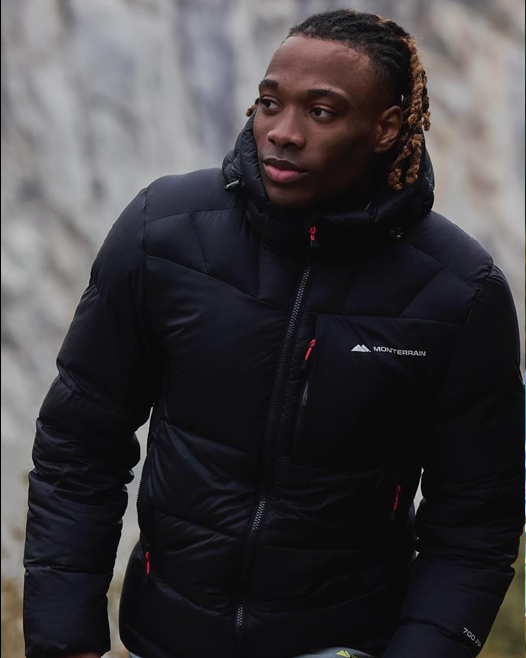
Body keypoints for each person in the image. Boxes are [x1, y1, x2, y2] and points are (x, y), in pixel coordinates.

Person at [22, 9, 524, 658]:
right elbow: (79, 444)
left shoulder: (460, 292)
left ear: (386, 127)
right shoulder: (162, 233)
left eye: (321, 111)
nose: (283, 132)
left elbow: (475, 522)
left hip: (346, 646)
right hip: (163, 640)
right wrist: (65, 638)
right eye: (269, 103)